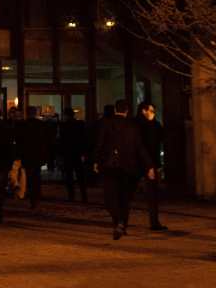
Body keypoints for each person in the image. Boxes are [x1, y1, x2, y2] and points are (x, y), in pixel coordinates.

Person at [93, 99, 155, 240]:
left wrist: (96, 160)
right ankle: (123, 226)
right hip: (129, 166)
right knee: (125, 199)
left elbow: (99, 143)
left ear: (115, 110)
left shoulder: (106, 123)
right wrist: (149, 166)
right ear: (127, 111)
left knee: (110, 196)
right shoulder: (132, 126)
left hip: (111, 165)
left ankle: (118, 220)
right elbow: (140, 148)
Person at [136, 101, 167, 231]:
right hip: (147, 163)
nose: (152, 114)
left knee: (129, 193)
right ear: (144, 111)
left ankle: (121, 222)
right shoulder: (151, 125)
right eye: (151, 111)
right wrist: (155, 164)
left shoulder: (135, 123)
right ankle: (154, 222)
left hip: (137, 163)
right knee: (152, 194)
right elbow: (154, 147)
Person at [20, 107, 52, 210]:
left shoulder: (23, 125)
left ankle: (33, 199)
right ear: (35, 113)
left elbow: (20, 142)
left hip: (28, 155)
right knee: (37, 176)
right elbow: (46, 141)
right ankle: (37, 196)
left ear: (27, 113)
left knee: (29, 177)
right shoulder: (41, 125)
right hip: (38, 155)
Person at [58, 108, 89, 203]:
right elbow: (85, 139)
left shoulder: (64, 126)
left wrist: (61, 155)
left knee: (69, 176)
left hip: (68, 154)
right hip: (78, 153)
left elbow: (61, 141)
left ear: (66, 115)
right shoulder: (80, 124)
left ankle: (71, 195)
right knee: (80, 176)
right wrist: (84, 153)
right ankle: (84, 196)